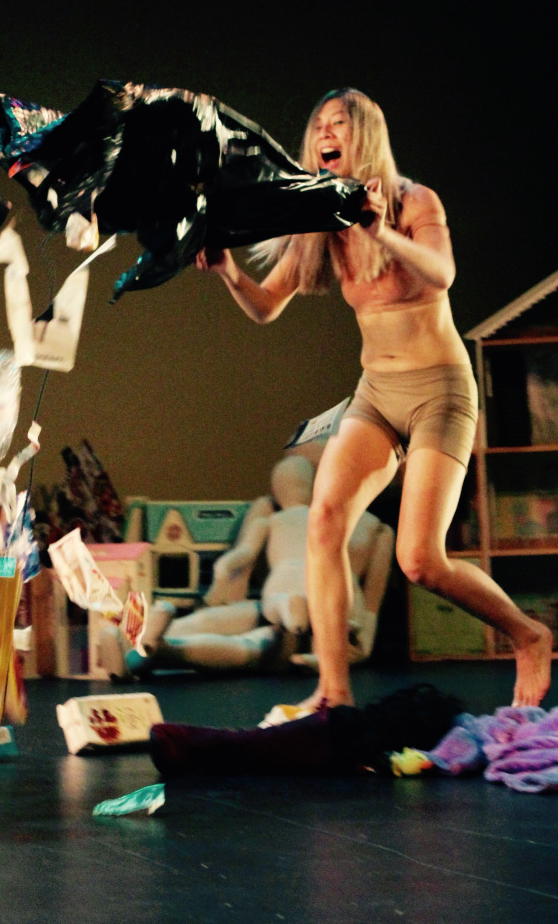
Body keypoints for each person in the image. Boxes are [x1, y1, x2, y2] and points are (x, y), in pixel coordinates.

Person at [196, 88, 553, 709]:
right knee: (324, 522)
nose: (324, 135)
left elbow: (441, 273)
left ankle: (528, 634)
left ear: (364, 136)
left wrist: (380, 230)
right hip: (376, 395)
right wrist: (229, 271)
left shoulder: (415, 201)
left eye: (338, 124)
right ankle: (333, 693)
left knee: (420, 560)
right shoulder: (321, 220)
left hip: (440, 391)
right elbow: (266, 306)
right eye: (318, 127)